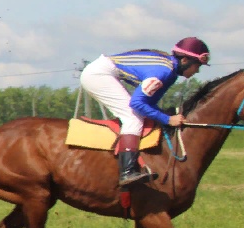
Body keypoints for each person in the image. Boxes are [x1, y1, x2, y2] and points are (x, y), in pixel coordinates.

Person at [79, 36, 210, 186]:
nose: (198, 71)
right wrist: (168, 119)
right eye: (197, 65)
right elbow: (137, 103)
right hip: (97, 75)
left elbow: (150, 103)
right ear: (185, 60)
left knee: (139, 115)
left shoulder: (170, 71)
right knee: (133, 118)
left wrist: (164, 115)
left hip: (103, 71)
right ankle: (127, 173)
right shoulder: (164, 72)